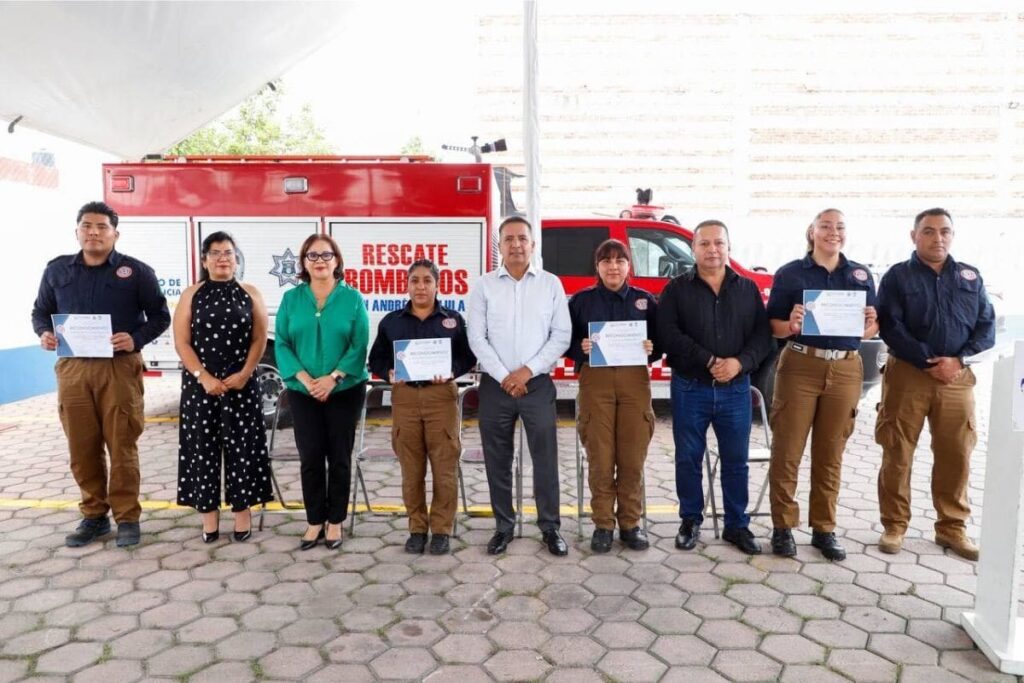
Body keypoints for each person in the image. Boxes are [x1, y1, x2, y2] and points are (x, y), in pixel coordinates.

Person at [31, 201, 170, 548]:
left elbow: (160, 316)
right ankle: (94, 516)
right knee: (82, 445)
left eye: (101, 227)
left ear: (115, 233)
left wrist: (135, 338)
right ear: (77, 231)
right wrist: (43, 334)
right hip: (74, 369)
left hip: (118, 367)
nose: (94, 232)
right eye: (87, 226)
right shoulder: (57, 271)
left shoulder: (136, 272)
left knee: (122, 443)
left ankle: (127, 518)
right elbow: (40, 311)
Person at [875, 208, 994, 560]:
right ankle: (894, 524)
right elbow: (890, 326)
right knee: (897, 450)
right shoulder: (898, 276)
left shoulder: (970, 277)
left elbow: (986, 326)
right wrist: (928, 360)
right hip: (909, 374)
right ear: (914, 236)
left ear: (952, 235)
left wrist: (957, 360)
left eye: (944, 231)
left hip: (957, 377)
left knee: (957, 453)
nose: (937, 238)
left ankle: (952, 527)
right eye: (928, 231)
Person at [766, 208, 878, 561]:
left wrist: (869, 326)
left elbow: (871, 327)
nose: (834, 233)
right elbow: (773, 326)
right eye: (826, 226)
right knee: (787, 451)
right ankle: (783, 527)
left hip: (845, 369)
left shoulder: (860, 274)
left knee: (831, 453)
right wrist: (792, 325)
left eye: (840, 227)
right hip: (800, 364)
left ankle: (824, 529)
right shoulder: (790, 274)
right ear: (812, 232)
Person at [657, 220, 773, 555]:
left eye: (718, 243)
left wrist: (739, 363)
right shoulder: (676, 289)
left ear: (729, 247)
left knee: (736, 461)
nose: (712, 250)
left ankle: (737, 525)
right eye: (704, 244)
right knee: (689, 458)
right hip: (690, 387)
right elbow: (669, 334)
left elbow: (762, 336)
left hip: (735, 389)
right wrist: (709, 360)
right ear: (692, 249)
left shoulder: (747, 288)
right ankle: (690, 520)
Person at [467, 216, 572, 556]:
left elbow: (562, 335)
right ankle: (503, 527)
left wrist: (526, 372)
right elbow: (476, 338)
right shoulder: (484, 285)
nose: (516, 245)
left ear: (532, 244)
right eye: (509, 239)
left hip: (537, 384)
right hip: (496, 386)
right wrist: (504, 376)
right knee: (497, 459)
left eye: (522, 238)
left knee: (545, 458)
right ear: (500, 245)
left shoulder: (550, 284)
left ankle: (550, 527)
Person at [368, 259, 476, 555]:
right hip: (405, 399)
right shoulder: (392, 322)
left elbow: (468, 357)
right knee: (411, 471)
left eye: (427, 280)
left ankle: (441, 529)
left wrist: (451, 370)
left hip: (441, 397)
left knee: (444, 469)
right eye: (414, 280)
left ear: (437, 284)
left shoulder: (452, 320)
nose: (420, 286)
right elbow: (375, 359)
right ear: (407, 285)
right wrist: (387, 373)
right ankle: (417, 528)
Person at [173, 231, 274, 543]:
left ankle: (242, 518)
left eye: (228, 252)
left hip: (240, 386)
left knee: (243, 450)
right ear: (204, 260)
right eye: (215, 253)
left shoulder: (250, 292)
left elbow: (260, 338)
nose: (222, 258)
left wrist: (245, 373)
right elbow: (182, 342)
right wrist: (203, 377)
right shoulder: (192, 295)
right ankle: (209, 521)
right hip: (200, 388)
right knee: (201, 450)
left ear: (236, 258)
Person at [274, 233, 369, 551]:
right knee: (311, 456)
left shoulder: (353, 299)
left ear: (337, 260)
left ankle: (336, 521)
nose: (319, 261)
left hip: (344, 389)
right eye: (312, 256)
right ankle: (315, 520)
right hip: (303, 391)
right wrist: (305, 378)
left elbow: (359, 344)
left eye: (325, 255)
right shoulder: (291, 299)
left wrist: (333, 378)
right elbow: (283, 343)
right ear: (303, 262)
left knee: (339, 457)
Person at [567, 239, 659, 553]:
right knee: (600, 458)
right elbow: (564, 341)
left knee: (632, 458)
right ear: (597, 266)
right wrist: (579, 348)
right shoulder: (581, 302)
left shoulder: (645, 301)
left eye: (620, 260)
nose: (613, 267)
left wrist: (652, 348)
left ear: (628, 265)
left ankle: (631, 524)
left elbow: (660, 342)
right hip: (597, 382)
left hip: (635, 382)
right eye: (606, 261)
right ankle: (603, 524)